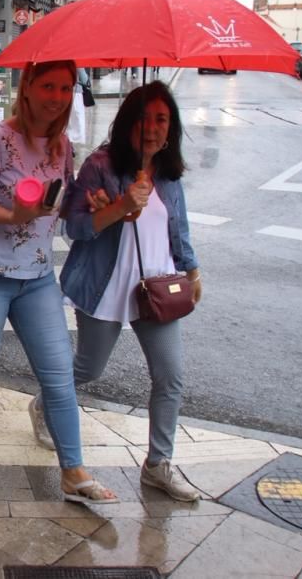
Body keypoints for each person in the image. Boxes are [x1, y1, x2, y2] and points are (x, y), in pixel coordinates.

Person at [0, 60, 118, 505]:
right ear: (28, 87)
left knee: (58, 376)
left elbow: (65, 204)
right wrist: (14, 215)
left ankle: (72, 471)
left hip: (37, 277)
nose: (57, 96)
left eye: (66, 87)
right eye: (49, 86)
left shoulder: (63, 147)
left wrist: (92, 200)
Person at [56, 80, 203, 502]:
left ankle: (158, 465)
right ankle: (47, 403)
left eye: (162, 119)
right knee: (87, 369)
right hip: (105, 286)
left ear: (171, 127)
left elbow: (179, 230)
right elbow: (74, 228)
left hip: (157, 290)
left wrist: (192, 271)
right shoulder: (100, 167)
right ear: (127, 123)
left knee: (170, 377)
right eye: (144, 118)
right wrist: (120, 207)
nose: (153, 128)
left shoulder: (170, 175)